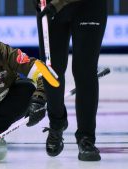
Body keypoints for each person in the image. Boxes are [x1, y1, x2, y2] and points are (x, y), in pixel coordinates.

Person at [34, 0, 107, 161]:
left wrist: (56, 4)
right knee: (52, 71)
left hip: (89, 6)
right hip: (50, 6)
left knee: (85, 71)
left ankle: (86, 138)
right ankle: (57, 122)